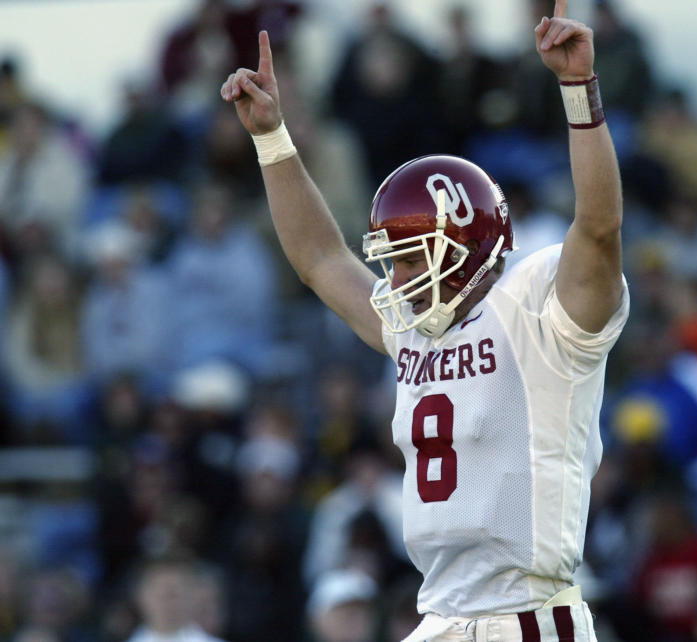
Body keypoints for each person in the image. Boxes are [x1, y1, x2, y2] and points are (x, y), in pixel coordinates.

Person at [220, 0, 628, 639]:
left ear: (466, 243)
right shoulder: (412, 324)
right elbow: (321, 259)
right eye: (395, 260)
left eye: (413, 257)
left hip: (524, 616)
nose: (399, 279)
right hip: (439, 615)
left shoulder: (537, 315)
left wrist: (579, 90)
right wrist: (272, 139)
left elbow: (599, 229)